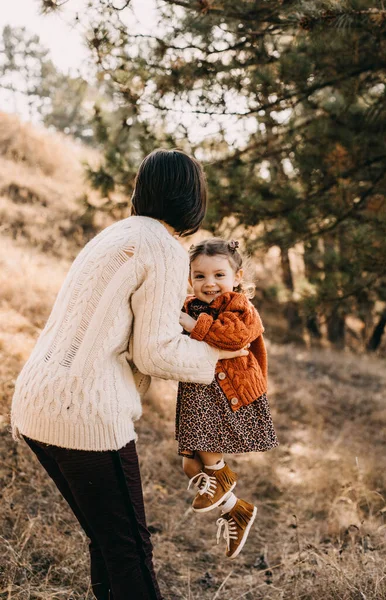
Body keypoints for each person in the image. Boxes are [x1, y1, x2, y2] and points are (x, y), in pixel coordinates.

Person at [10, 149, 249, 600]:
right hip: (83, 412)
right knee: (129, 553)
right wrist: (221, 355)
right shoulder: (163, 249)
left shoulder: (115, 235)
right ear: (192, 198)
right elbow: (155, 353)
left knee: (108, 542)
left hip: (35, 402)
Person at [176, 237, 278, 559]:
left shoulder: (239, 306)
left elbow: (233, 336)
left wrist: (193, 325)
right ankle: (237, 509)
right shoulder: (190, 306)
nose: (210, 284)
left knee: (207, 450)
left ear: (238, 277)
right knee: (190, 465)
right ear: (190, 278)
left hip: (228, 390)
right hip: (201, 389)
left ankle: (221, 475)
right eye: (200, 276)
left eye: (219, 275)